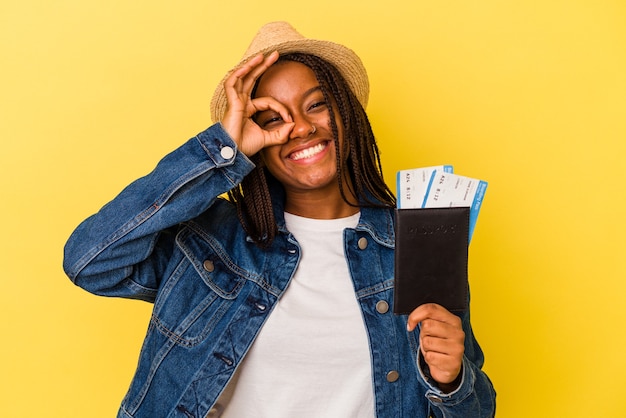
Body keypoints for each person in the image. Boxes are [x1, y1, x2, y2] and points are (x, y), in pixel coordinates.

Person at [63, 21, 496, 418]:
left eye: (317, 105)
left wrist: (452, 381)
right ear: (255, 142)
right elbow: (90, 261)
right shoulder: (211, 240)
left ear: (347, 114)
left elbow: (477, 411)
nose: (301, 128)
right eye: (273, 119)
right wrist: (222, 151)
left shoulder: (414, 243)